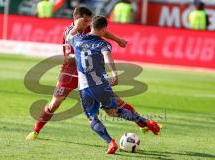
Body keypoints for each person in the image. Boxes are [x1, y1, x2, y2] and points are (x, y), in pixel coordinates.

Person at [26, 6, 161, 140]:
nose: (89, 23)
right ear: (77, 19)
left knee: (116, 101)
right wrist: (82, 56)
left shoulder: (89, 28)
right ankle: (36, 130)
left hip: (90, 75)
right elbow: (67, 58)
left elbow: (102, 32)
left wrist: (118, 40)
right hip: (70, 73)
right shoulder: (69, 33)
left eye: (90, 21)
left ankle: (142, 124)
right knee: (55, 103)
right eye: (86, 21)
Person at [67, 15, 161, 154]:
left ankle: (110, 142)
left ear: (90, 26)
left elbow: (69, 35)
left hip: (86, 87)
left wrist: (76, 26)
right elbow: (107, 56)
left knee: (92, 118)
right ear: (104, 29)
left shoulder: (78, 40)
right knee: (113, 112)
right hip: (102, 85)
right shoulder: (103, 44)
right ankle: (145, 121)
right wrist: (114, 73)